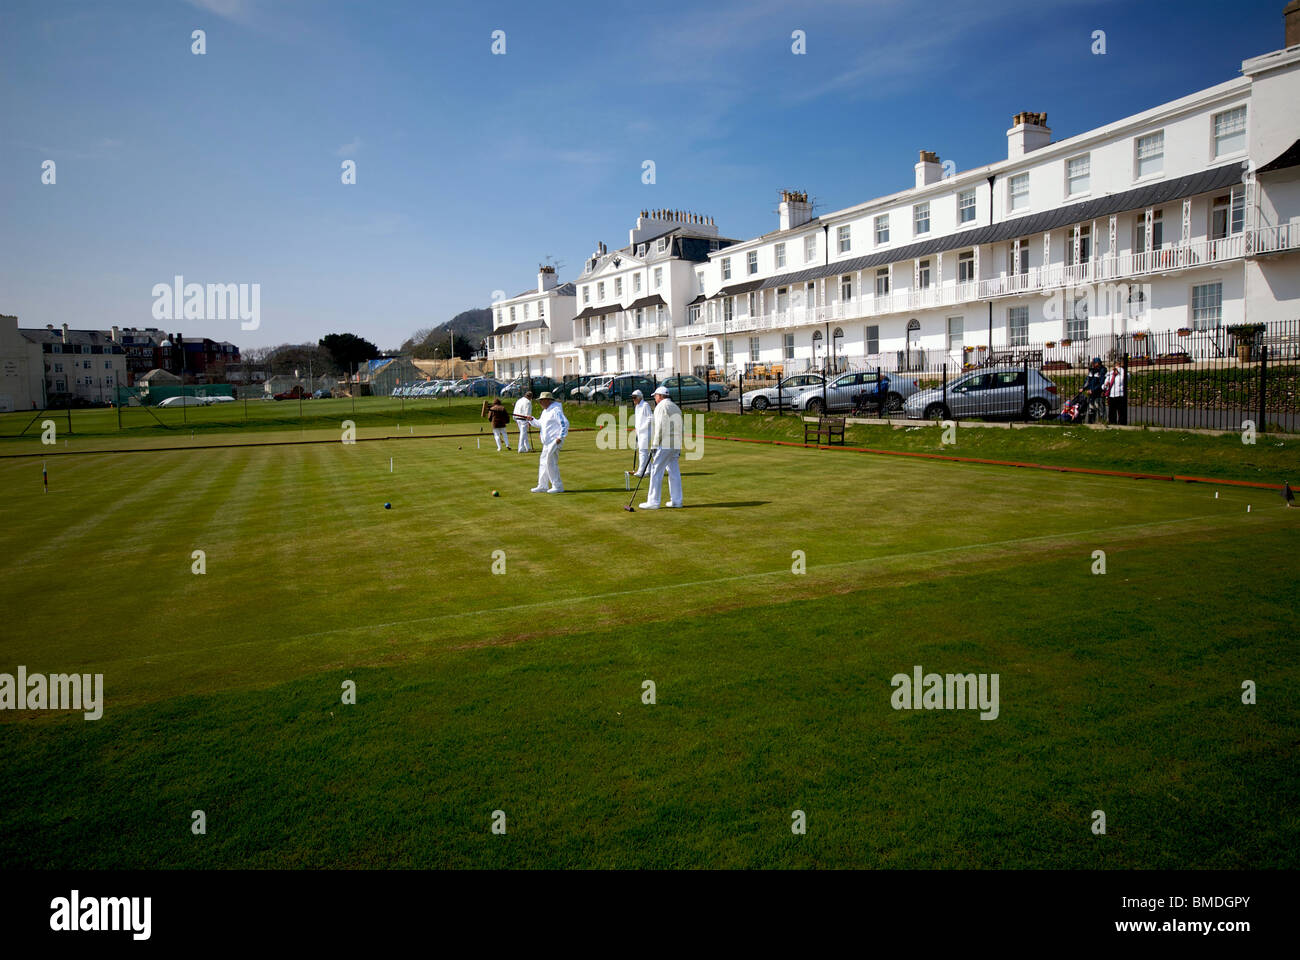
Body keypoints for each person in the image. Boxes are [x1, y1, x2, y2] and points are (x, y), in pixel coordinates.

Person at [641, 385, 683, 509]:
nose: (655, 398)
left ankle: (653, 502)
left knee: (656, 470)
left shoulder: (661, 407)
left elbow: (660, 427)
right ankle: (677, 501)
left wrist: (654, 445)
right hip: (675, 443)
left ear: (660, 396)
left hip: (664, 444)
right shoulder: (676, 407)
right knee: (674, 472)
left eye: (655, 396)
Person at [526, 391, 569, 493]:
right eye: (540, 401)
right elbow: (540, 424)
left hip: (555, 441)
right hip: (546, 442)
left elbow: (565, 423)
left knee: (551, 462)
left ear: (548, 400)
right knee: (543, 463)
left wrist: (561, 436)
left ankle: (558, 486)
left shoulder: (556, 410)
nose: (540, 402)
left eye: (542, 400)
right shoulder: (545, 412)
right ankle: (542, 485)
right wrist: (532, 420)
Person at [631, 389, 653, 477]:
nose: (633, 399)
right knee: (644, 451)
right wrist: (637, 430)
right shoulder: (637, 406)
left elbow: (650, 418)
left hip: (646, 432)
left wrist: (643, 428)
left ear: (640, 397)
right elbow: (637, 420)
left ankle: (641, 471)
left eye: (634, 397)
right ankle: (649, 469)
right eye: (632, 398)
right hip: (639, 432)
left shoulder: (645, 405)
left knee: (642, 451)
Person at [1083, 357, 1106, 423]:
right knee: (1091, 408)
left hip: (1098, 393)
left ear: (1098, 363)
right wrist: (1083, 388)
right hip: (1091, 393)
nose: (1092, 364)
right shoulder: (1092, 371)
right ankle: (1091, 422)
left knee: (1099, 407)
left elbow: (1101, 383)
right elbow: (1087, 380)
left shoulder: (1102, 371)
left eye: (1094, 363)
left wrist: (1093, 390)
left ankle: (1101, 422)